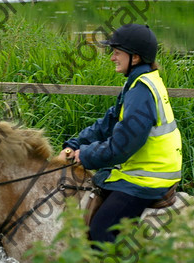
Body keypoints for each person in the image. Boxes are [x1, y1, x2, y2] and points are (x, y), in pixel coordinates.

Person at [58, 24, 182, 243]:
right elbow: (108, 122)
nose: (112, 58)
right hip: (141, 173)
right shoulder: (137, 83)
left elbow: (123, 146)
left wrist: (85, 156)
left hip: (148, 179)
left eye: (117, 53)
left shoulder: (141, 92)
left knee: (101, 230)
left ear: (134, 58)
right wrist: (74, 144)